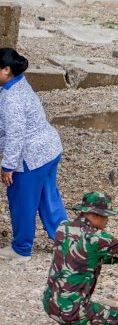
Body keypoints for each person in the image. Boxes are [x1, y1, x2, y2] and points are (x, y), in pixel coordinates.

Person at [43, 192, 118, 325]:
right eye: (106, 216)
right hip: (72, 311)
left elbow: (92, 257)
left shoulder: (63, 227)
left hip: (50, 303)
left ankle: (72, 323)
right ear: (96, 215)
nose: (107, 221)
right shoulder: (96, 238)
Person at [0, 48, 67, 262]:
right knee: (49, 198)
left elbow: (16, 135)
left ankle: (21, 249)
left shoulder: (11, 98)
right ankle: (69, 242)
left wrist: (8, 166)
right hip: (49, 148)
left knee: (22, 201)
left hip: (30, 157)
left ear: (6, 70)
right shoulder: (20, 82)